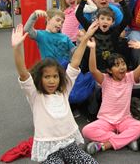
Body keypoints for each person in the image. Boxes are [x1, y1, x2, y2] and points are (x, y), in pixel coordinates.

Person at [11, 23, 98, 164]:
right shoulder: (35, 94)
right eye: (47, 77)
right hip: (48, 149)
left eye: (55, 76)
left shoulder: (64, 90)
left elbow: (75, 62)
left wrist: (86, 37)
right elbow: (22, 72)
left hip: (68, 144)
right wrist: (17, 48)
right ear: (39, 78)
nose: (52, 81)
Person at [82, 36, 140, 155]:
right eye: (117, 65)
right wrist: (92, 49)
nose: (122, 67)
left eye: (123, 63)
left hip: (125, 119)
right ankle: (126, 140)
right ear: (109, 70)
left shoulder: (130, 77)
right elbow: (93, 69)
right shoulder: (105, 80)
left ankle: (105, 145)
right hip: (106, 120)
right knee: (86, 130)